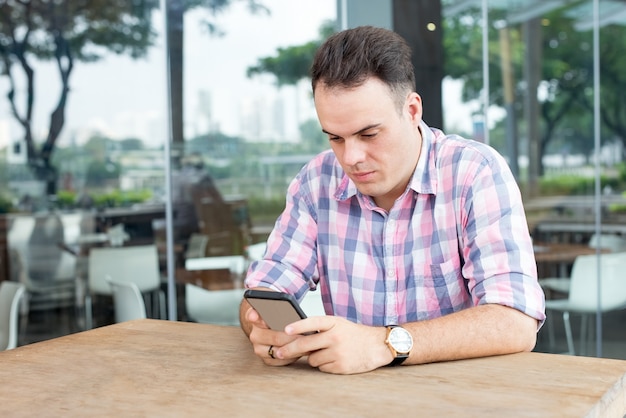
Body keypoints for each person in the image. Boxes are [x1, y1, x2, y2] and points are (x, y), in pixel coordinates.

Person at [240, 26, 546, 375]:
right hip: (349, 397)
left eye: (368, 134)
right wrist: (261, 327)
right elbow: (266, 289)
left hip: (461, 398)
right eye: (335, 138)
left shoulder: (474, 172)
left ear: (412, 110)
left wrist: (384, 343)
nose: (351, 157)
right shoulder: (316, 182)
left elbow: (515, 321)